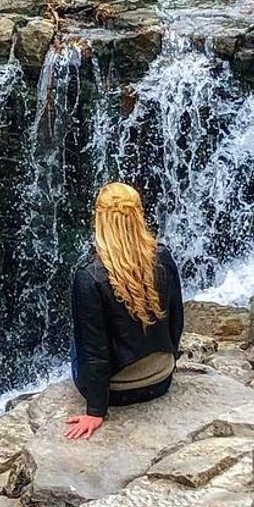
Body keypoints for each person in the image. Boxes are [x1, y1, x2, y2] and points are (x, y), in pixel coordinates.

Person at [64, 181, 184, 440]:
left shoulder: (89, 275)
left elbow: (94, 351)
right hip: (162, 378)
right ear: (138, 215)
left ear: (100, 220)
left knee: (77, 342)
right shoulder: (162, 257)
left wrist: (95, 411)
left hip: (120, 392)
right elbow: (176, 320)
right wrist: (170, 359)